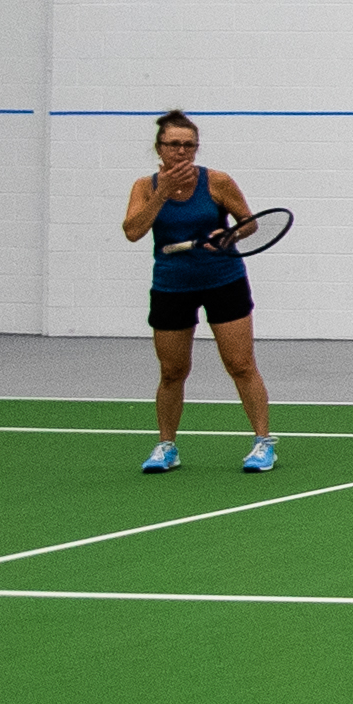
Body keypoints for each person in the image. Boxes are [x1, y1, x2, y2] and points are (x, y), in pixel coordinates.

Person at [120, 109, 276, 473]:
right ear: (159, 148)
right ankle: (166, 447)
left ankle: (263, 443)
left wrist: (229, 236)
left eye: (189, 145)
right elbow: (132, 231)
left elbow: (248, 224)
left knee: (240, 364)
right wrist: (160, 196)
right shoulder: (144, 187)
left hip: (224, 280)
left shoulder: (217, 182)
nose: (182, 152)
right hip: (172, 286)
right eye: (173, 145)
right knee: (172, 371)